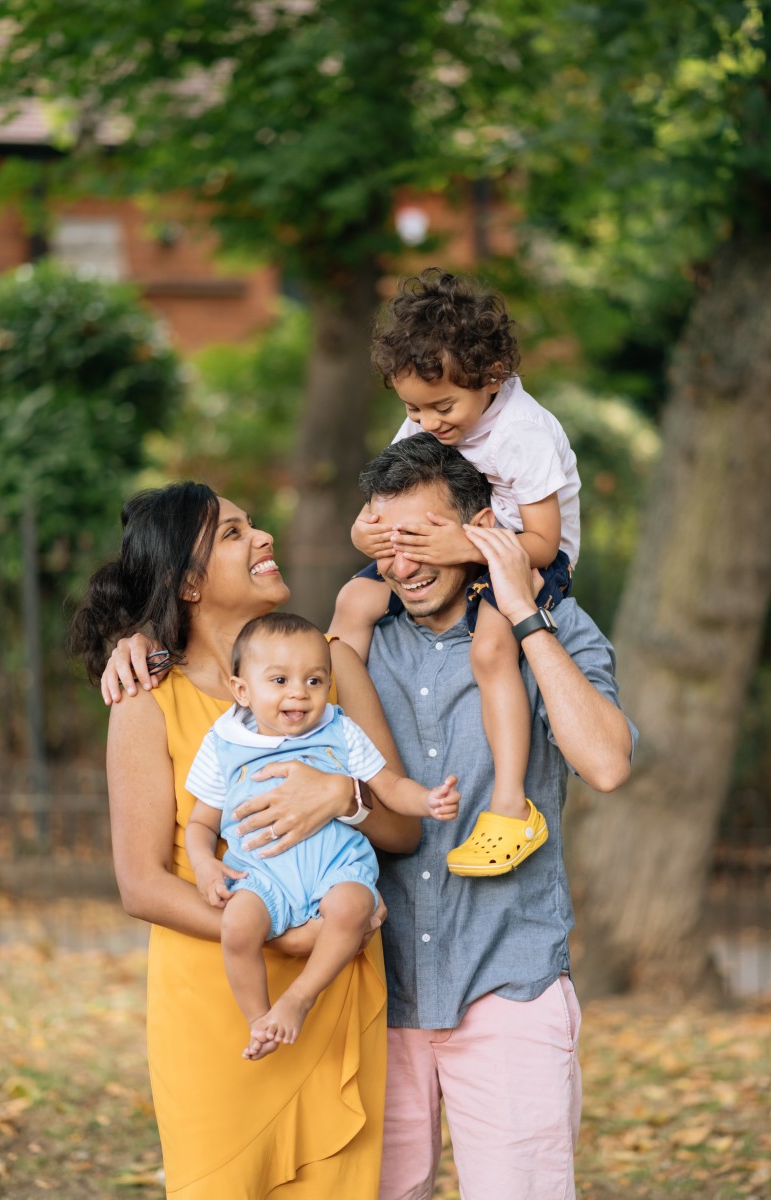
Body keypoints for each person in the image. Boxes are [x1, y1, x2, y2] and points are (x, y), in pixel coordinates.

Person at [71, 482, 423, 1200]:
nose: (263, 537)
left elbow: (404, 828)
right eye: (233, 534)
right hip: (215, 1009)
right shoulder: (146, 700)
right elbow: (142, 883)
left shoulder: (330, 669)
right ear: (190, 584)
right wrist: (281, 941)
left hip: (333, 993)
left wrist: (343, 797)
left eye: (252, 524)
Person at [350, 434, 635, 1200]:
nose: (401, 565)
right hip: (373, 994)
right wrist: (138, 640)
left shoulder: (556, 630)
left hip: (508, 985)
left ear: (481, 529)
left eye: (422, 541)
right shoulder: (354, 640)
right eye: (386, 543)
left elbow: (607, 763)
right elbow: (232, 678)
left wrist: (522, 612)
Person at [330, 268, 581, 878]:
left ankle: (509, 804)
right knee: (351, 602)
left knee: (494, 648)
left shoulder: (524, 433)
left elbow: (544, 543)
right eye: (413, 407)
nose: (429, 422)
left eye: (443, 406)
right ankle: (336, 740)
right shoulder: (424, 420)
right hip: (444, 541)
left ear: (490, 377)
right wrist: (366, 533)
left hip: (514, 554)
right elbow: (380, 503)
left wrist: (462, 547)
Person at [184, 610, 459, 1061]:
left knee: (353, 906)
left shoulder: (339, 731)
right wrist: (203, 863)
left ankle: (299, 998)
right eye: (279, 681)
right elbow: (201, 823)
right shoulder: (224, 742)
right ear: (241, 690)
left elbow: (388, 786)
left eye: (315, 681)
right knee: (236, 927)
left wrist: (427, 801)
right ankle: (258, 1020)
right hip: (261, 876)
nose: (299, 692)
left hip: (334, 868)